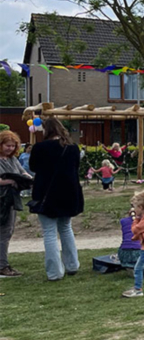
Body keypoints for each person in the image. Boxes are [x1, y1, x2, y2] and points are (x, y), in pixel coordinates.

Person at [29, 118, 84, 281]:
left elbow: (33, 167)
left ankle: (55, 272)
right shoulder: (73, 148)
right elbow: (76, 167)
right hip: (69, 193)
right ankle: (72, 265)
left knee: (49, 232)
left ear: (46, 130)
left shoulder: (40, 147)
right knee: (66, 228)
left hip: (46, 193)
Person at [0, 130, 30, 278]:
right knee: (4, 232)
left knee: (7, 230)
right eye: (7, 145)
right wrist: (10, 181)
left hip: (10, 200)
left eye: (13, 146)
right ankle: (2, 265)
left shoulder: (12, 160)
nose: (10, 148)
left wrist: (26, 178)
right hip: (1, 199)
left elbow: (23, 172)